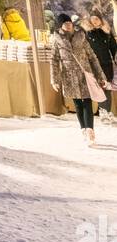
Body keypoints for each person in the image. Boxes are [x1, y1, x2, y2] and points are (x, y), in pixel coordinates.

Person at [50, 13, 110, 144]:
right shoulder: (57, 39)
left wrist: (100, 75)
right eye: (65, 23)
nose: (68, 25)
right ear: (60, 25)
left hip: (84, 74)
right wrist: (54, 80)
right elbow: (54, 60)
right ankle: (83, 129)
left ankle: (90, 131)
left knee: (87, 101)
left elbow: (92, 57)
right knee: (78, 103)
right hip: (69, 76)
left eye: (69, 23)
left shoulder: (81, 36)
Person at [82, 11, 116, 121]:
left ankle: (107, 112)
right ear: (90, 20)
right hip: (95, 65)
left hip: (107, 64)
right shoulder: (87, 33)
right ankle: (103, 112)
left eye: (97, 18)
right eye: (93, 19)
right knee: (99, 89)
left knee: (107, 88)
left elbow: (114, 48)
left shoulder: (106, 32)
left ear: (101, 20)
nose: (95, 21)